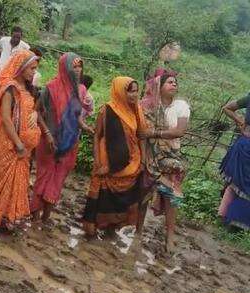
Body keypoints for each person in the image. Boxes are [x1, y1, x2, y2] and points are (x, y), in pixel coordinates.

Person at [31, 53, 94, 225]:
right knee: (43, 177)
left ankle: (46, 217)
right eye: (74, 66)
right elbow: (36, 112)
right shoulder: (50, 88)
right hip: (49, 142)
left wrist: (85, 127)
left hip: (69, 143)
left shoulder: (80, 90)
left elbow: (76, 116)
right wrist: (48, 134)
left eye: (80, 66)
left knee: (58, 181)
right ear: (64, 67)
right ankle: (35, 216)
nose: (78, 70)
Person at [82, 77, 146, 237]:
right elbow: (97, 135)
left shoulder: (137, 111)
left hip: (131, 164)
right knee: (101, 198)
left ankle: (112, 227)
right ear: (119, 91)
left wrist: (143, 160)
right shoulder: (107, 110)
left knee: (123, 201)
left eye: (136, 91)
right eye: (130, 91)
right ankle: (92, 229)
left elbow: (141, 136)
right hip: (107, 163)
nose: (134, 95)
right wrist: (97, 161)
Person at [0, 50, 41, 230]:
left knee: (18, 184)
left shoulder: (27, 89)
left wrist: (33, 113)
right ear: (21, 67)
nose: (34, 72)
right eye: (32, 68)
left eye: (35, 69)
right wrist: (18, 143)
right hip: (8, 144)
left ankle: (9, 219)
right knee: (2, 183)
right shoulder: (9, 88)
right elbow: (6, 118)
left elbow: (29, 110)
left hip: (23, 148)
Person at [139, 69, 190, 252]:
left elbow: (179, 131)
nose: (174, 84)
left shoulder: (181, 106)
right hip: (149, 156)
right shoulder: (149, 106)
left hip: (171, 158)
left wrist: (154, 132)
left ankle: (169, 237)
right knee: (144, 193)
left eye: (175, 82)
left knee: (171, 198)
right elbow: (140, 131)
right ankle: (138, 231)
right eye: (169, 82)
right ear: (159, 86)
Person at [218, 93, 250, 231]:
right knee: (239, 185)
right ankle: (232, 224)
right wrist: (240, 121)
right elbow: (227, 108)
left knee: (236, 184)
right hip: (245, 147)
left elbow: (227, 108)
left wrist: (240, 121)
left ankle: (224, 218)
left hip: (244, 144)